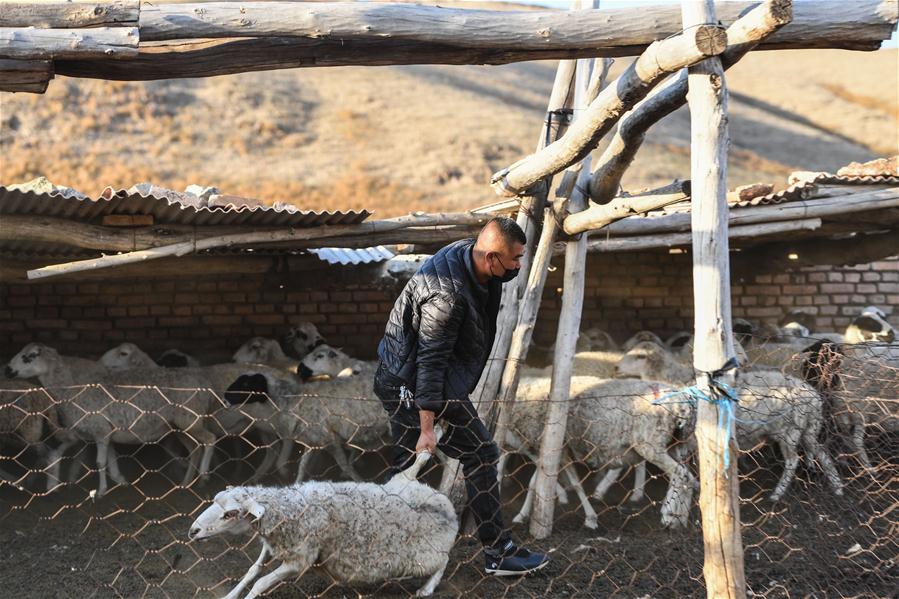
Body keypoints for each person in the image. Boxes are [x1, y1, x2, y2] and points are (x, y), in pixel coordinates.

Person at [374, 216, 550, 576]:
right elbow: (430, 361)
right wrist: (427, 425)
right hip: (412, 382)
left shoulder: (474, 261)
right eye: (515, 259)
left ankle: (373, 545)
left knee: (405, 469)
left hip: (430, 379)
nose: (519, 265)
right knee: (479, 454)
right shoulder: (447, 295)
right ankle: (498, 553)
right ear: (491, 258)